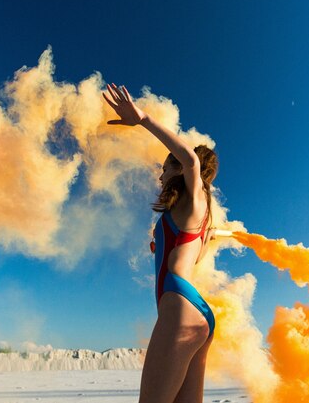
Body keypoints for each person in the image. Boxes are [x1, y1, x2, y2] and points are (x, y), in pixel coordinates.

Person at [102, 83, 219, 403]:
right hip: (197, 314)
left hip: (180, 309)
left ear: (179, 168)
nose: (160, 176)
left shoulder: (196, 196)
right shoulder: (199, 214)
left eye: (165, 168)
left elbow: (192, 164)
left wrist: (142, 119)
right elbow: (185, 252)